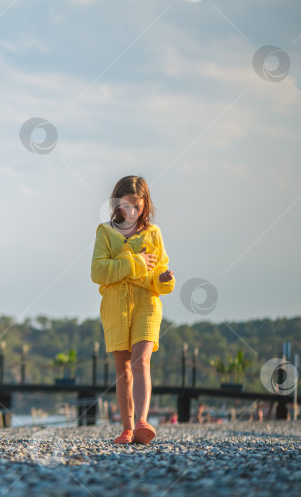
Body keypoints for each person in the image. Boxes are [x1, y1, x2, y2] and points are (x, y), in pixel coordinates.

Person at [91, 176, 176, 445]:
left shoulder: (154, 233)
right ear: (116, 204)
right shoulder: (105, 232)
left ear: (145, 205)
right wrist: (134, 261)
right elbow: (98, 271)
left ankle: (142, 421)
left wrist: (165, 280)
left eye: (137, 207)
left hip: (147, 303)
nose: (132, 212)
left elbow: (160, 269)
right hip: (115, 306)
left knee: (141, 362)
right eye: (126, 206)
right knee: (123, 370)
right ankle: (127, 429)